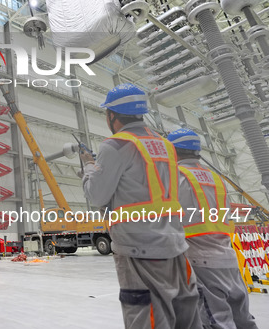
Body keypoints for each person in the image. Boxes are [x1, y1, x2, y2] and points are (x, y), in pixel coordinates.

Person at [81, 83, 202, 329]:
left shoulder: (115, 145)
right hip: (175, 244)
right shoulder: (167, 147)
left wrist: (88, 168)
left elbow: (97, 196)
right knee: (185, 316)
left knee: (147, 317)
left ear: (111, 115)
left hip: (140, 249)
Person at [167, 128, 258, 329]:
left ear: (173, 151)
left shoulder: (175, 177)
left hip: (200, 258)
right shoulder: (217, 179)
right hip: (228, 257)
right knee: (243, 320)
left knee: (216, 321)